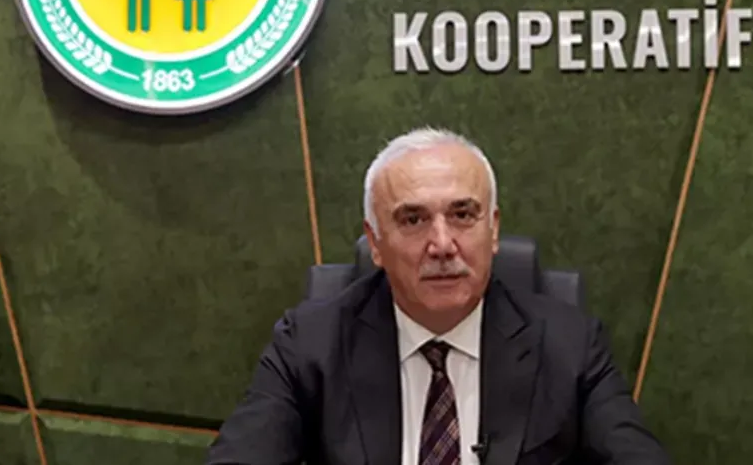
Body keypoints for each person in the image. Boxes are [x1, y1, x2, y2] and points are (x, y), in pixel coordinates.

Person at [206, 127, 670, 465]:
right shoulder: (308, 346)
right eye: (413, 220)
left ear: (493, 230)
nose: (443, 245)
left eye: (463, 215)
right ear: (376, 242)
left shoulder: (570, 346)